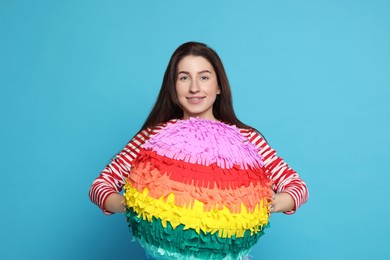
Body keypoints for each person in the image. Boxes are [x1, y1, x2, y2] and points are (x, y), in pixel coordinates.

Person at [89, 41, 308, 259]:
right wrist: (133, 204)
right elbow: (100, 186)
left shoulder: (247, 140)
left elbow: (298, 187)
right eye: (184, 78)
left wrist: (269, 204)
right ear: (173, 86)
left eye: (204, 77)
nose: (194, 87)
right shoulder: (151, 138)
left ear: (219, 85)